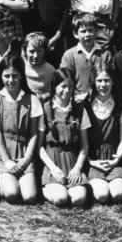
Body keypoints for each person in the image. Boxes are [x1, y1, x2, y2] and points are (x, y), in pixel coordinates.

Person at [0, 54, 43, 204]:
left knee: (29, 197)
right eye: (7, 76)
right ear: (1, 76)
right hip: (4, 152)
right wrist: (7, 161)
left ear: (22, 76)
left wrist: (26, 160)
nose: (11, 80)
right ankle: (3, 182)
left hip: (24, 153)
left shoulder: (32, 99)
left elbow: (33, 134)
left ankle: (19, 178)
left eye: (15, 76)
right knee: (12, 194)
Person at [40, 69, 90, 208]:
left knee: (78, 199)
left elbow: (85, 146)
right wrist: (53, 169)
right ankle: (45, 188)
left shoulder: (79, 109)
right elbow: (39, 147)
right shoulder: (45, 109)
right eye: (63, 86)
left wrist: (77, 168)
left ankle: (70, 185)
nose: (67, 90)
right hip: (53, 161)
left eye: (70, 86)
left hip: (72, 161)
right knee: (60, 199)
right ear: (54, 86)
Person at [84, 65, 122, 205]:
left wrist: (117, 159)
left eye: (107, 80)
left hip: (114, 158)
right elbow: (83, 140)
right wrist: (90, 161)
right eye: (99, 81)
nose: (103, 85)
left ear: (113, 82)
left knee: (118, 194)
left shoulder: (121, 106)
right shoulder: (86, 106)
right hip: (93, 159)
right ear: (94, 82)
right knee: (102, 196)